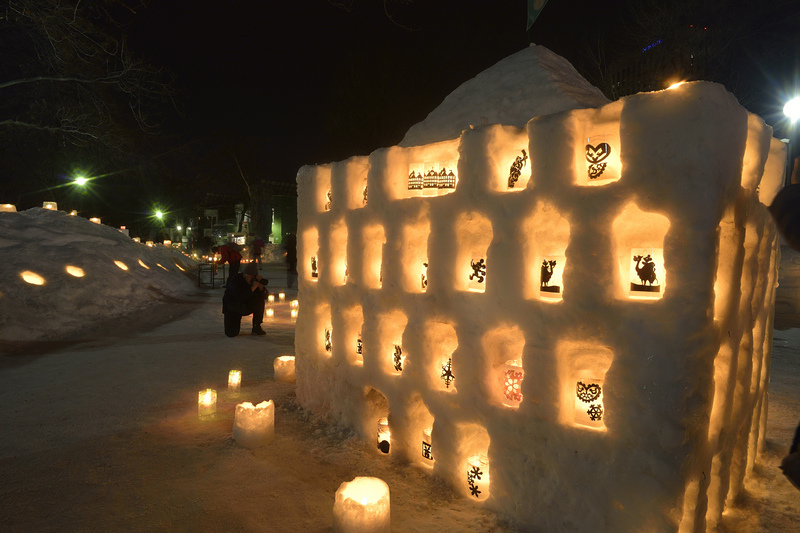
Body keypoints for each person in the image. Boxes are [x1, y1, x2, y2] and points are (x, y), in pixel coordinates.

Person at [222, 262, 268, 337]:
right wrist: (252, 288)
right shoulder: (236, 281)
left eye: (254, 277)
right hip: (233, 308)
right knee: (231, 333)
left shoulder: (254, 282)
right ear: (244, 275)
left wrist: (261, 289)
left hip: (246, 305)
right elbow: (240, 297)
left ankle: (257, 326)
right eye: (250, 277)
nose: (252, 279)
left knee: (260, 301)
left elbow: (265, 297)